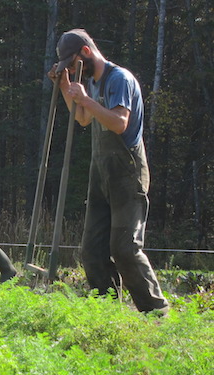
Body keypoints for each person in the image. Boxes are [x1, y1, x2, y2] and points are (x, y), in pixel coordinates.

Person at [48, 28, 169, 315]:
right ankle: (107, 313)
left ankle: (157, 313)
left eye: (73, 63)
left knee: (125, 248)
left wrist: (85, 98)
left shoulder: (119, 79)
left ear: (86, 53)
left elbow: (119, 123)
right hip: (101, 173)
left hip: (127, 173)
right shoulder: (94, 82)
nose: (74, 69)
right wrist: (66, 86)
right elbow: (82, 118)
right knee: (91, 251)